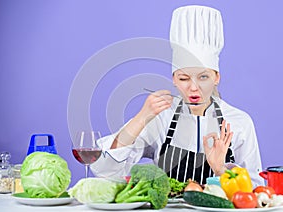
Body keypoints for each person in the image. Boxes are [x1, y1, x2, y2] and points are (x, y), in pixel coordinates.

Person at [91, 5, 264, 187]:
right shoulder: (160, 118)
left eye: (203, 77)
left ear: (216, 78)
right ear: (173, 79)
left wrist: (221, 170)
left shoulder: (240, 122)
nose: (193, 88)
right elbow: (106, 170)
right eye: (184, 78)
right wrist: (141, 118)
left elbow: (254, 190)